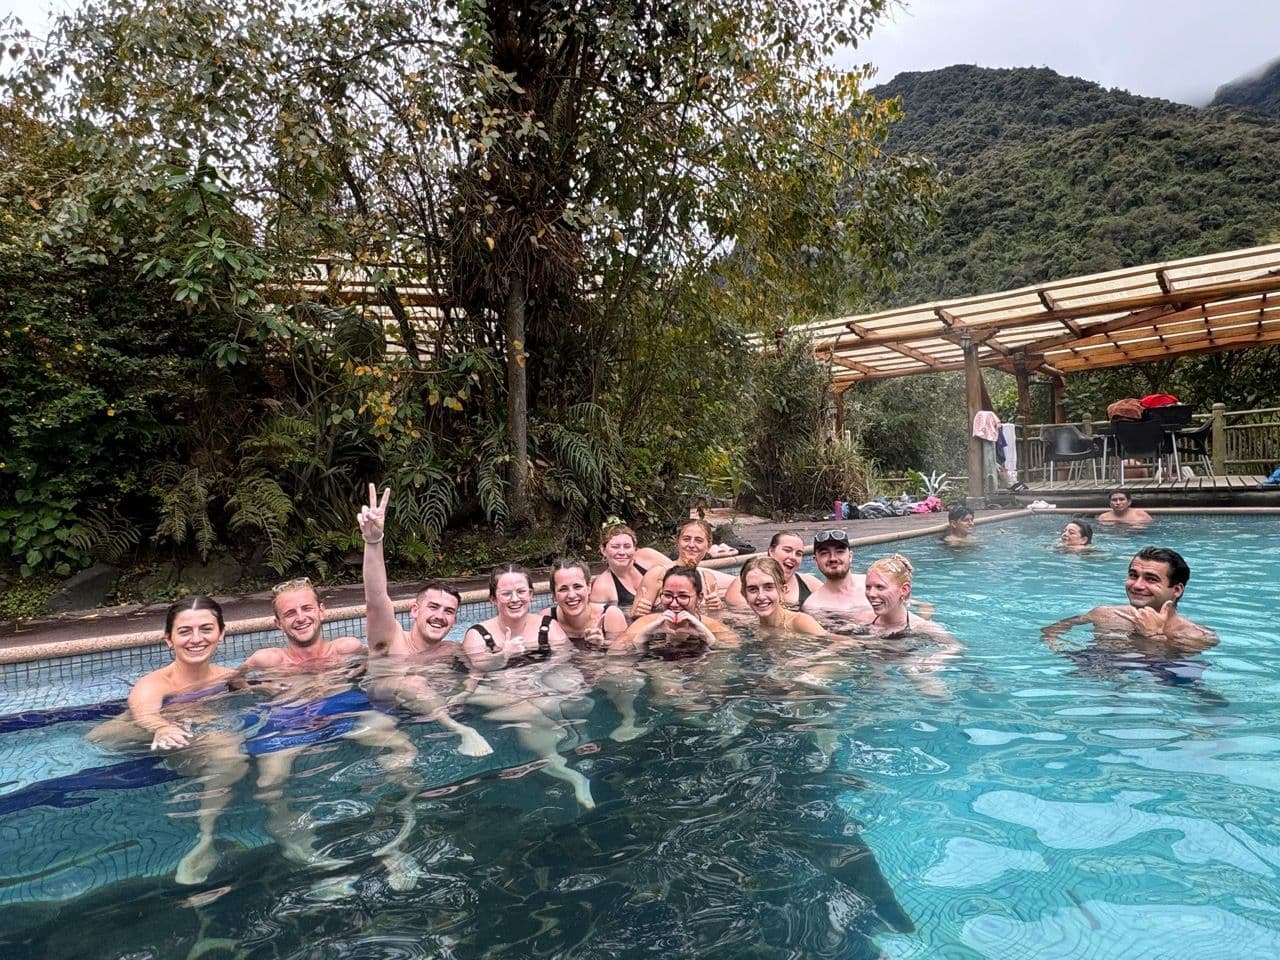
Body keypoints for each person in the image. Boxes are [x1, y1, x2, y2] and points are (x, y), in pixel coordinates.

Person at [242, 577, 422, 887]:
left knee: (402, 748)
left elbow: (376, 661)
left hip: (342, 709)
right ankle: (309, 855)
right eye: (290, 613)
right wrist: (265, 687)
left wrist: (353, 672)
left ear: (322, 611)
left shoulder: (346, 648)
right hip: (290, 719)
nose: (300, 618)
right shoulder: (268, 660)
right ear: (277, 622)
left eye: (307, 608)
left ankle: (397, 838)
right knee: (269, 783)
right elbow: (234, 682)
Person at [87, 597, 248, 884]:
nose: (196, 639)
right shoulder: (155, 683)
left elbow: (249, 690)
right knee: (225, 748)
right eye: (184, 631)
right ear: (168, 639)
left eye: (206, 629)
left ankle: (205, 837)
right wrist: (161, 727)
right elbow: (144, 713)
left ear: (221, 633)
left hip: (184, 733)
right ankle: (205, 834)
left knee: (230, 753)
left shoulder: (227, 677)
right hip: (118, 738)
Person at [357, 484, 492, 757]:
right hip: (385, 714)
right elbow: (376, 597)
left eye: (448, 611)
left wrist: (465, 692)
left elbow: (480, 671)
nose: (440, 616)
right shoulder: (391, 638)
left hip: (434, 709)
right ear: (414, 611)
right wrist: (374, 542)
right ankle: (461, 731)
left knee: (518, 703)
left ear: (455, 620)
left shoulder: (453, 650)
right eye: (433, 607)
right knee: (404, 755)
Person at [459, 564, 595, 808]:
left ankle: (575, 734)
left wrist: (538, 673)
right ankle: (568, 771)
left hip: (539, 683)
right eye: (506, 594)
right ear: (493, 598)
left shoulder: (546, 625)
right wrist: (502, 656)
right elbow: (479, 670)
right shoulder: (478, 634)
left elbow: (565, 656)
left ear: (531, 594)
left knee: (575, 687)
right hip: (502, 691)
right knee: (532, 701)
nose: (515, 599)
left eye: (521, 592)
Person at [1041, 546, 1217, 657]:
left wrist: (1154, 637)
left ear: (1177, 590)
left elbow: (1171, 680)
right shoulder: (1104, 614)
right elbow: (1052, 629)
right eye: (1133, 576)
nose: (1137, 585)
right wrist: (1065, 651)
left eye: (1151, 579)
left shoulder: (1196, 637)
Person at [620, 565, 740, 656]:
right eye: (667, 595)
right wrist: (643, 635)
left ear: (699, 598)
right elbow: (616, 655)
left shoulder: (715, 628)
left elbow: (731, 655)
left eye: (683, 596)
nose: (674, 603)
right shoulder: (643, 624)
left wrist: (706, 636)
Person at [630, 519, 731, 617]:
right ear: (677, 542)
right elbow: (634, 618)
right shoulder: (657, 575)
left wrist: (717, 610)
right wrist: (639, 612)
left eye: (698, 540)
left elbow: (713, 621)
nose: (691, 545)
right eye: (686, 539)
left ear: (708, 546)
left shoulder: (708, 579)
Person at [723, 532, 820, 611]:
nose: (793, 557)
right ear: (771, 551)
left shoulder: (809, 582)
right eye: (787, 550)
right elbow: (742, 621)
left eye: (798, 554)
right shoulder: (744, 582)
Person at [735, 556, 825, 637]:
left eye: (769, 587)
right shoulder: (751, 627)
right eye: (753, 589)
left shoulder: (799, 622)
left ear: (783, 591)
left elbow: (837, 643)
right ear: (744, 595)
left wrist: (811, 656)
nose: (761, 596)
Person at [588, 522, 670, 608]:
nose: (622, 552)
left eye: (627, 547)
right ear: (603, 550)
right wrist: (632, 613)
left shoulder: (648, 556)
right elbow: (596, 618)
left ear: (634, 548)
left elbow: (681, 571)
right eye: (615, 547)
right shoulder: (602, 587)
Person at [801, 529, 871, 615]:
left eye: (839, 552)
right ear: (816, 560)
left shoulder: (873, 584)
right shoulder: (814, 607)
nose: (833, 558)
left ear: (850, 556)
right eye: (824, 553)